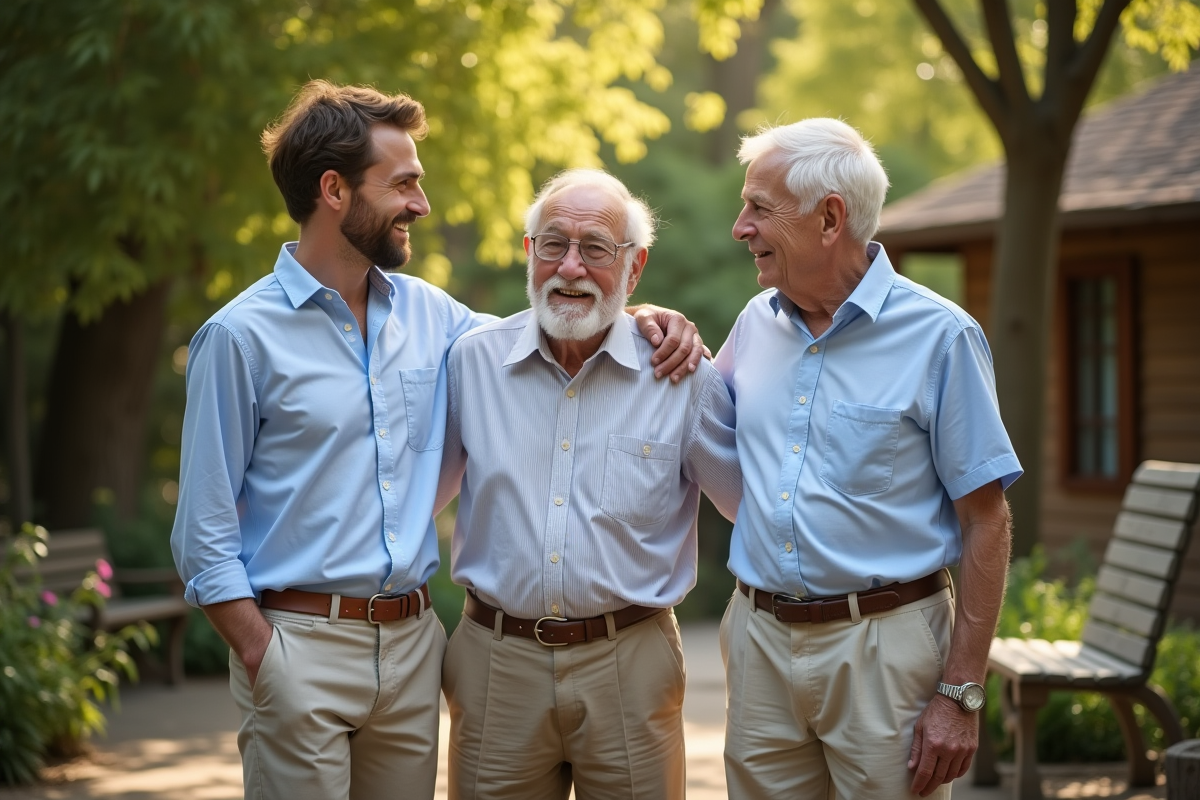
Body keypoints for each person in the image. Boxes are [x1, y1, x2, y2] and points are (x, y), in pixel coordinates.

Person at [169, 81, 703, 800]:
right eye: (403, 184)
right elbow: (203, 528)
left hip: (414, 645)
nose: (420, 203)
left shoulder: (437, 319)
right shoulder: (239, 337)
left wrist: (642, 313)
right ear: (334, 190)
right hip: (300, 642)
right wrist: (263, 652)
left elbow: (558, 316)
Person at [713, 118, 1022, 799]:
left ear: (830, 218)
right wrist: (656, 322)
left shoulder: (941, 338)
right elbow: (695, 425)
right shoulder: (753, 323)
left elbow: (987, 521)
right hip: (759, 640)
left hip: (885, 650)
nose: (740, 226)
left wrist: (961, 692)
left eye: (759, 208)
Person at [435, 169, 742, 800]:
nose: (570, 267)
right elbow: (409, 498)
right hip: (497, 662)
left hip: (630, 661)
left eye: (596, 249)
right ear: (528, 252)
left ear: (635, 267)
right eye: (553, 244)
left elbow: (757, 512)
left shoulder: (682, 378)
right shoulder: (471, 363)